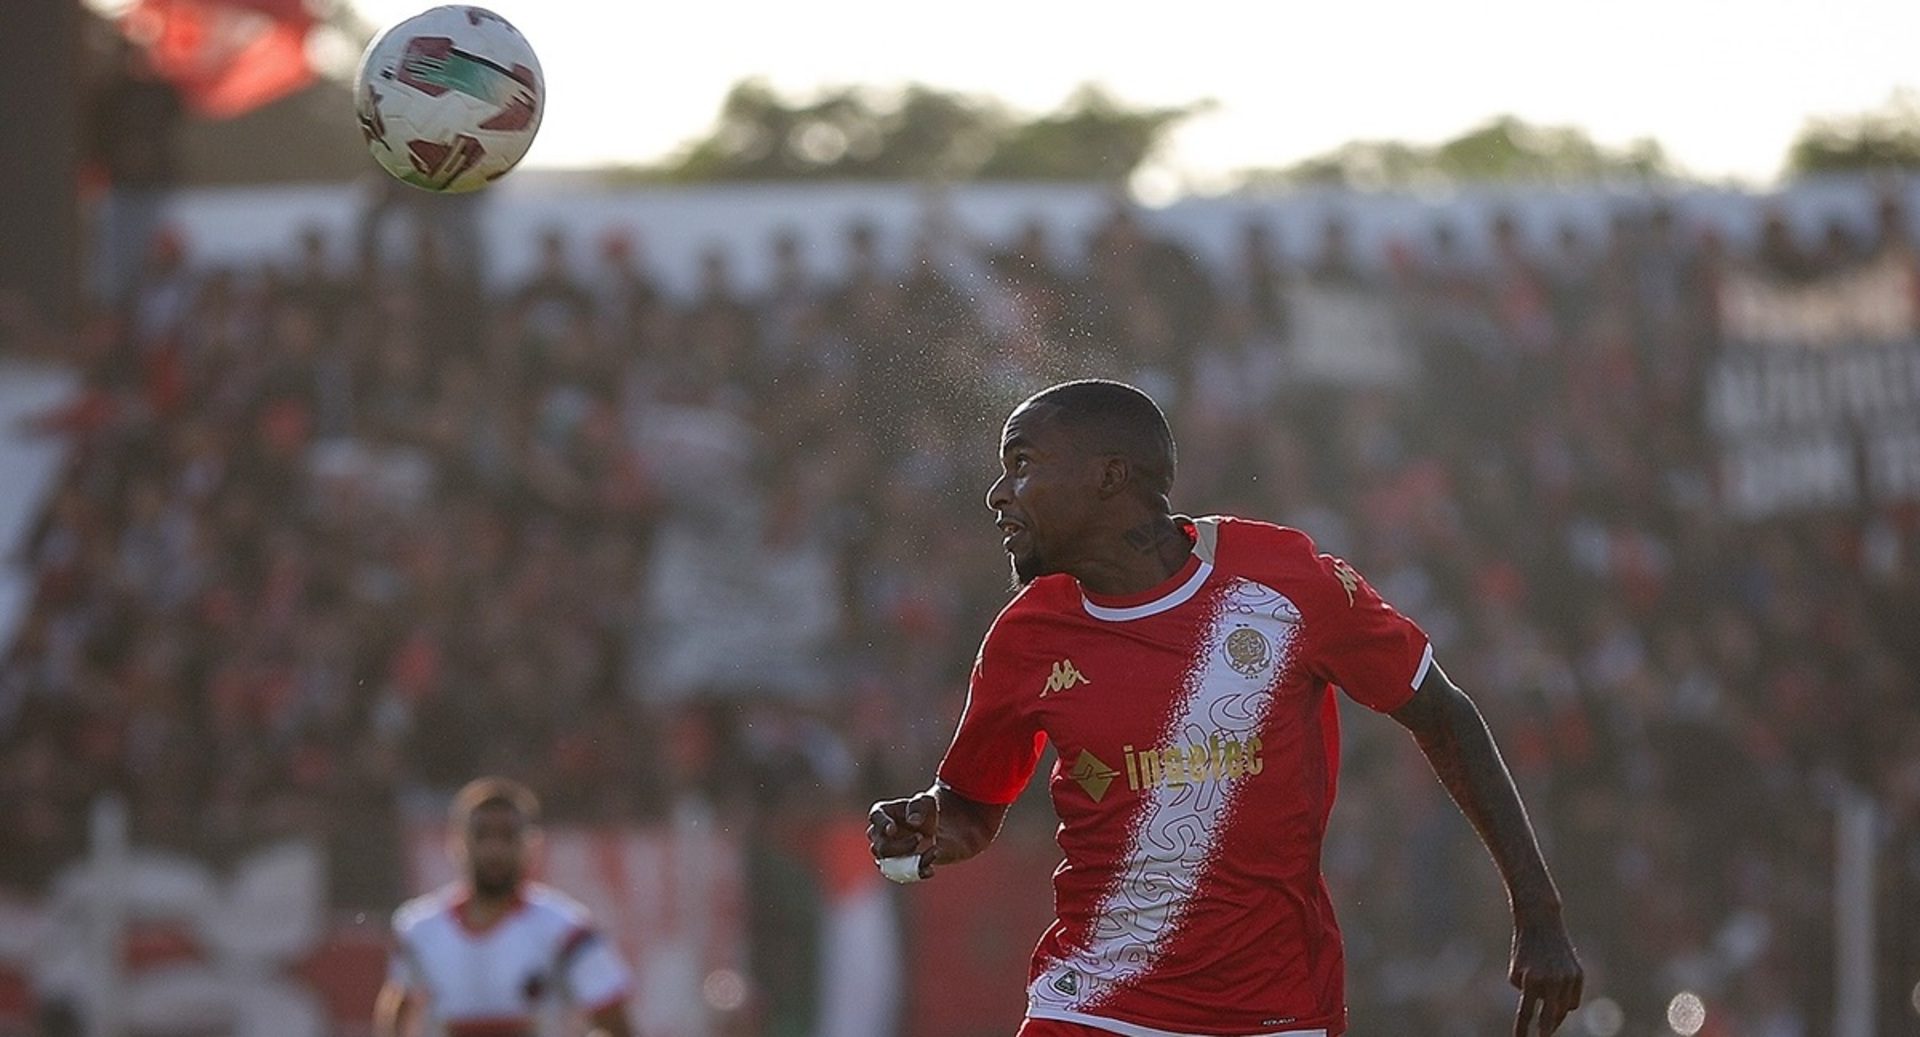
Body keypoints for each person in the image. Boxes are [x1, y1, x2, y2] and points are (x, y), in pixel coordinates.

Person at [867, 380, 1583, 1037]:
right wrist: (929, 825)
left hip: (1273, 1011)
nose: (998, 493)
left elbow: (1445, 716)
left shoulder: (1286, 582)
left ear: (1109, 475)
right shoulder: (1026, 635)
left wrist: (1538, 909)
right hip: (1089, 1006)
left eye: (1021, 464)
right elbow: (971, 804)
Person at [375, 777, 634, 1037]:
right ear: (456, 842)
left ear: (532, 845)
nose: (494, 849)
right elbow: (397, 1010)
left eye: (507, 835)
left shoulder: (567, 929)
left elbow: (615, 1023)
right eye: (482, 834)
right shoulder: (420, 929)